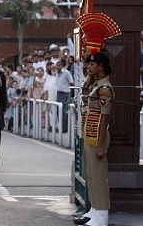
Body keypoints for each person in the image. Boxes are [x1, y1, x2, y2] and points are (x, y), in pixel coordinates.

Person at [73, 52, 114, 226]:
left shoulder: (105, 89)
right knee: (91, 175)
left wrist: (100, 145)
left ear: (101, 67)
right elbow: (83, 97)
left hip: (97, 136)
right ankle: (95, 210)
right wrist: (88, 79)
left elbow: (105, 118)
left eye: (92, 65)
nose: (88, 67)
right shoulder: (96, 85)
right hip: (90, 134)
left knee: (99, 177)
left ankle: (102, 216)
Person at [55, 58, 74, 133]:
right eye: (57, 65)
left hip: (65, 93)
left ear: (62, 66)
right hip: (58, 93)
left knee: (63, 111)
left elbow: (71, 83)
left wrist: (71, 92)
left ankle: (64, 128)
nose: (58, 67)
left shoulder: (66, 73)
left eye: (59, 65)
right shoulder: (56, 73)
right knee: (58, 111)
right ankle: (60, 126)